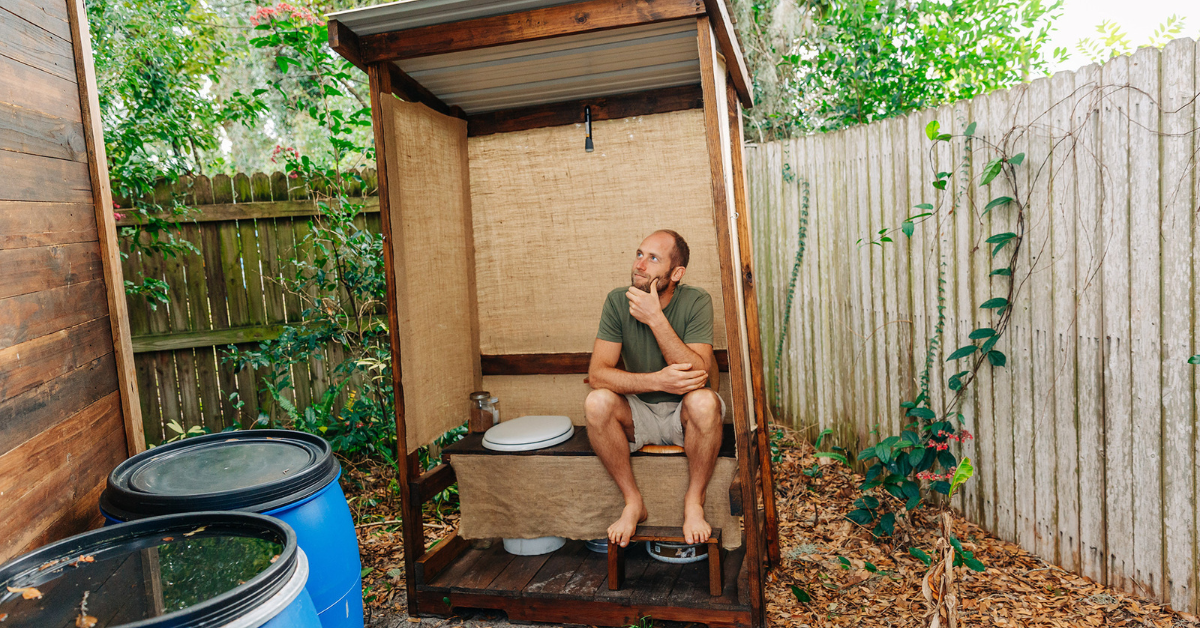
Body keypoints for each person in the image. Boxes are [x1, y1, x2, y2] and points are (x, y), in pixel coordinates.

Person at [586, 229, 724, 548]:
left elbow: (698, 374)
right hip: (639, 414)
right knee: (596, 402)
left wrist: (656, 319)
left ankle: (694, 501)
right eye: (639, 254)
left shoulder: (697, 300)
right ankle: (633, 501)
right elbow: (598, 374)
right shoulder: (617, 301)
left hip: (684, 414)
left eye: (653, 258)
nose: (640, 264)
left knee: (705, 402)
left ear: (676, 273)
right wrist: (656, 381)